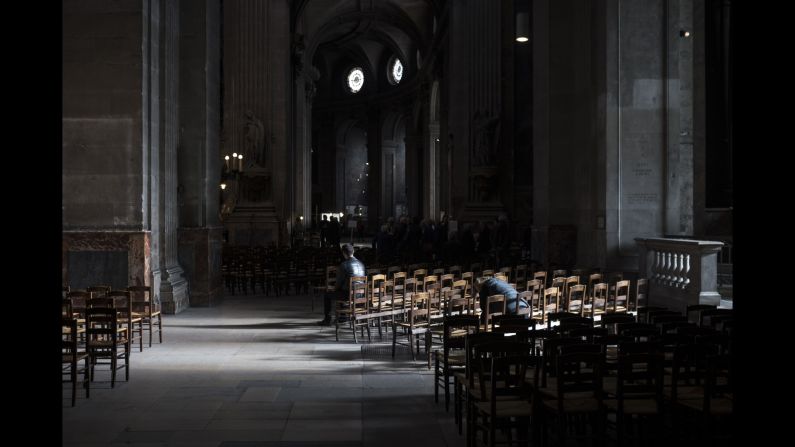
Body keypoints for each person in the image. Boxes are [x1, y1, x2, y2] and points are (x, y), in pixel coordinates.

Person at [317, 244, 366, 326]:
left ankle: (327, 320)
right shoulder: (361, 264)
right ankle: (343, 317)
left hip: (349, 295)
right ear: (353, 251)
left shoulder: (344, 265)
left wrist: (334, 289)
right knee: (342, 290)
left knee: (327, 295)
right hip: (360, 294)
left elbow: (339, 283)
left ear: (343, 253)